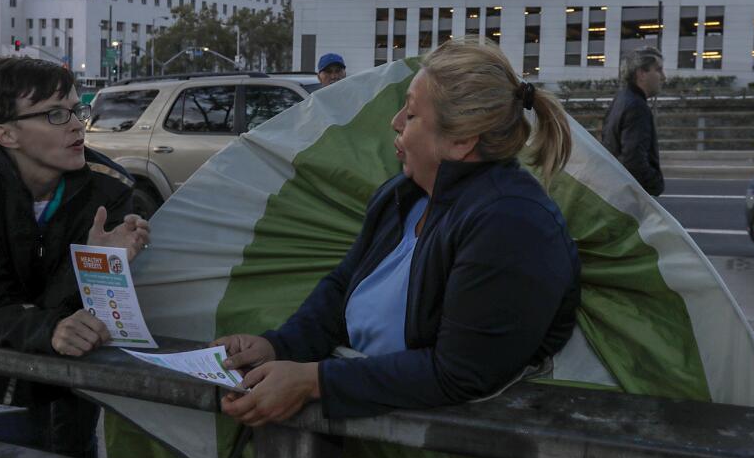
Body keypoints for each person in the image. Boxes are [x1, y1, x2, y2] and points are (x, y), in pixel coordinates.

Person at [213, 39, 580, 424]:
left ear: (461, 140)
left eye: (412, 113)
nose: (396, 122)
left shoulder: (512, 224)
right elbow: (343, 287)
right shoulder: (404, 194)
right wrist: (278, 346)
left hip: (449, 456)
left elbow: (460, 373)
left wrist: (313, 381)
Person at [0, 57, 150, 458]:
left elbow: (101, 308)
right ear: (6, 133)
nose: (78, 124)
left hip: (78, 371)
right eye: (56, 115)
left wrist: (100, 261)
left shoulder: (108, 187)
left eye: (78, 110)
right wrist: (51, 328)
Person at [601, 46, 666, 196]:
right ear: (641, 73)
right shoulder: (637, 107)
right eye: (658, 70)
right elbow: (633, 160)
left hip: (615, 188)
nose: (663, 77)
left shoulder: (621, 99)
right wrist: (656, 184)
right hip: (629, 196)